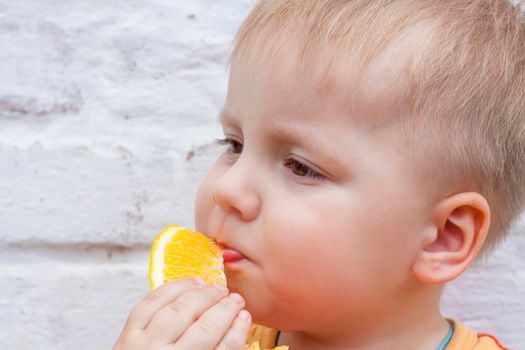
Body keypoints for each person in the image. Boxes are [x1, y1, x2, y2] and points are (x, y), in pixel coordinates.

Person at [113, 0, 524, 349]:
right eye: (234, 145)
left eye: (300, 167)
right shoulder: (208, 340)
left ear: (442, 237)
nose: (227, 188)